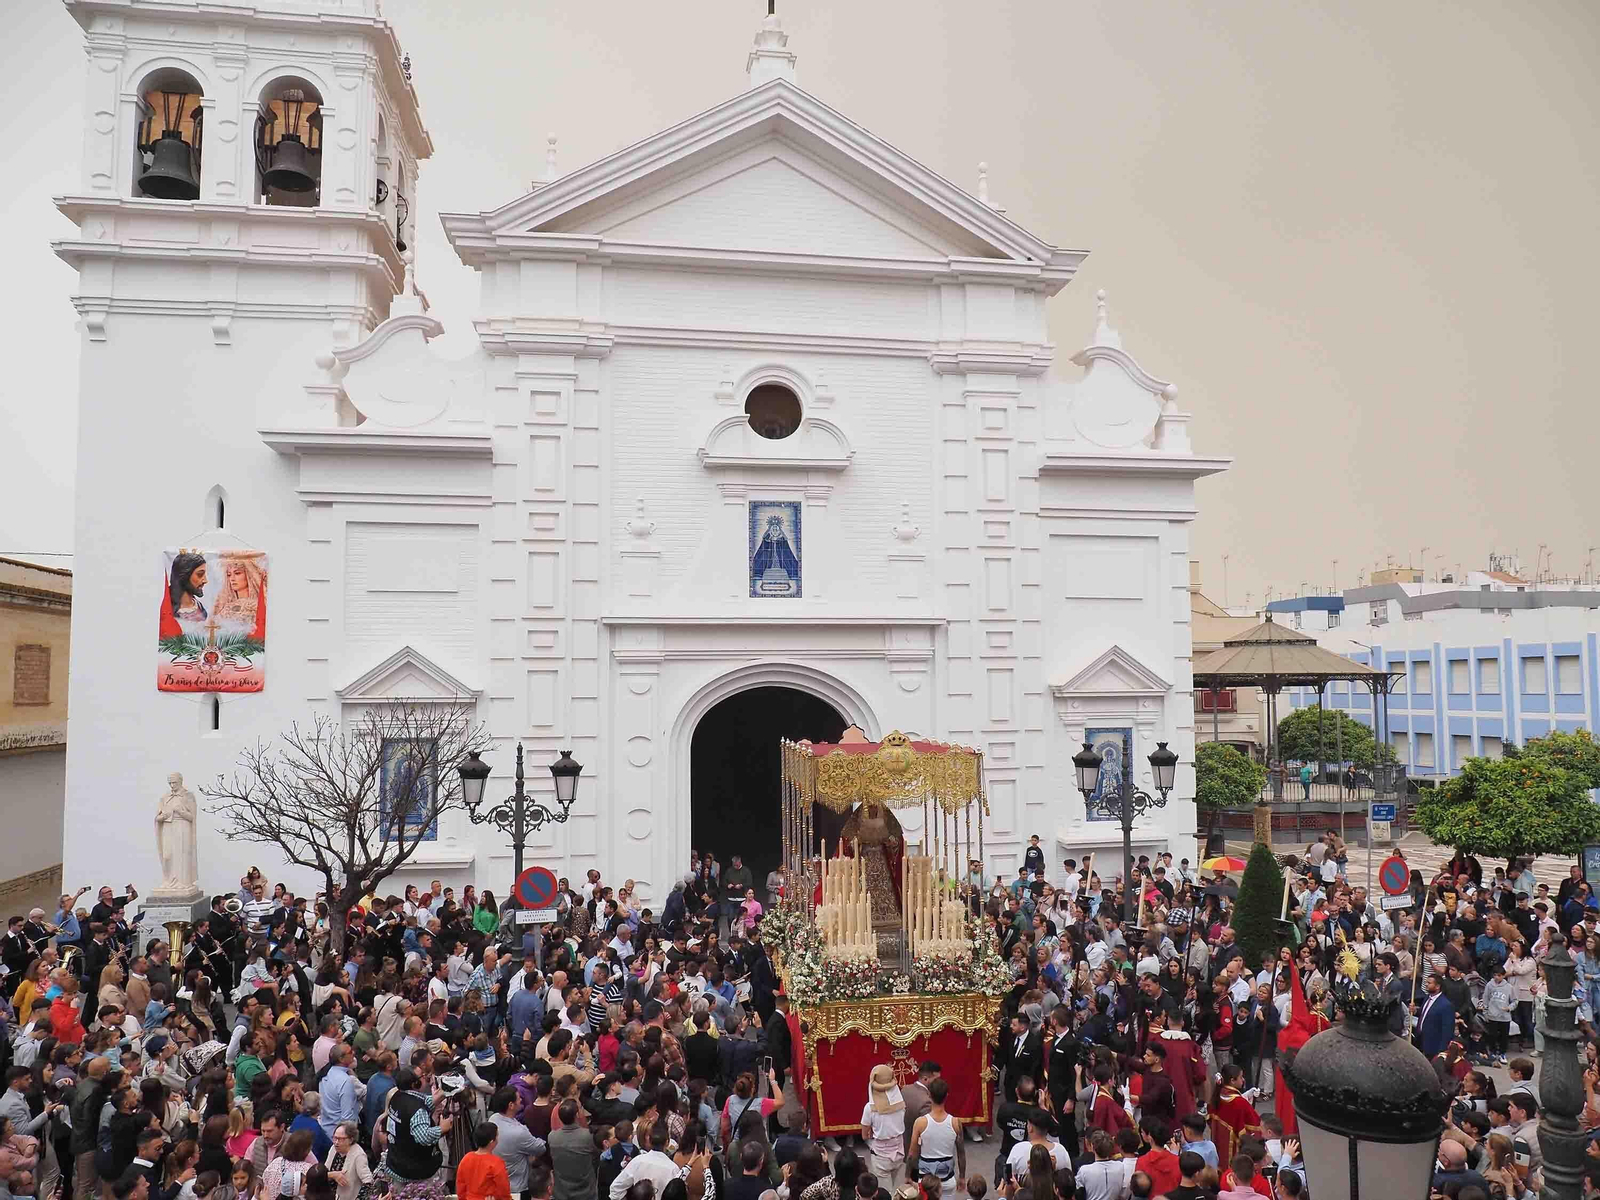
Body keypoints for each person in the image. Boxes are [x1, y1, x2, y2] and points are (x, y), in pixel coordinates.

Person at [906, 1080, 963, 1198]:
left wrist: (908, 1175)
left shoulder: (920, 1123)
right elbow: (961, 1153)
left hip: (926, 1182)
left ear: (929, 1095)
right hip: (947, 1180)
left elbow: (912, 1154)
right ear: (947, 1095)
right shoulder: (956, 1123)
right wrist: (962, 1177)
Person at [860, 1065, 907, 1194]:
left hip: (881, 1156)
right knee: (893, 1188)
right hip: (899, 1152)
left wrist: (872, 1143)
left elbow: (865, 1135)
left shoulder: (870, 1108)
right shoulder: (901, 1102)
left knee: (885, 1193)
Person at [456, 1124, 514, 1200]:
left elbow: (460, 1185)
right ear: (491, 1141)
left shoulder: (466, 1158)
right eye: (497, 1136)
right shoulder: (496, 1162)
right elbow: (503, 1189)